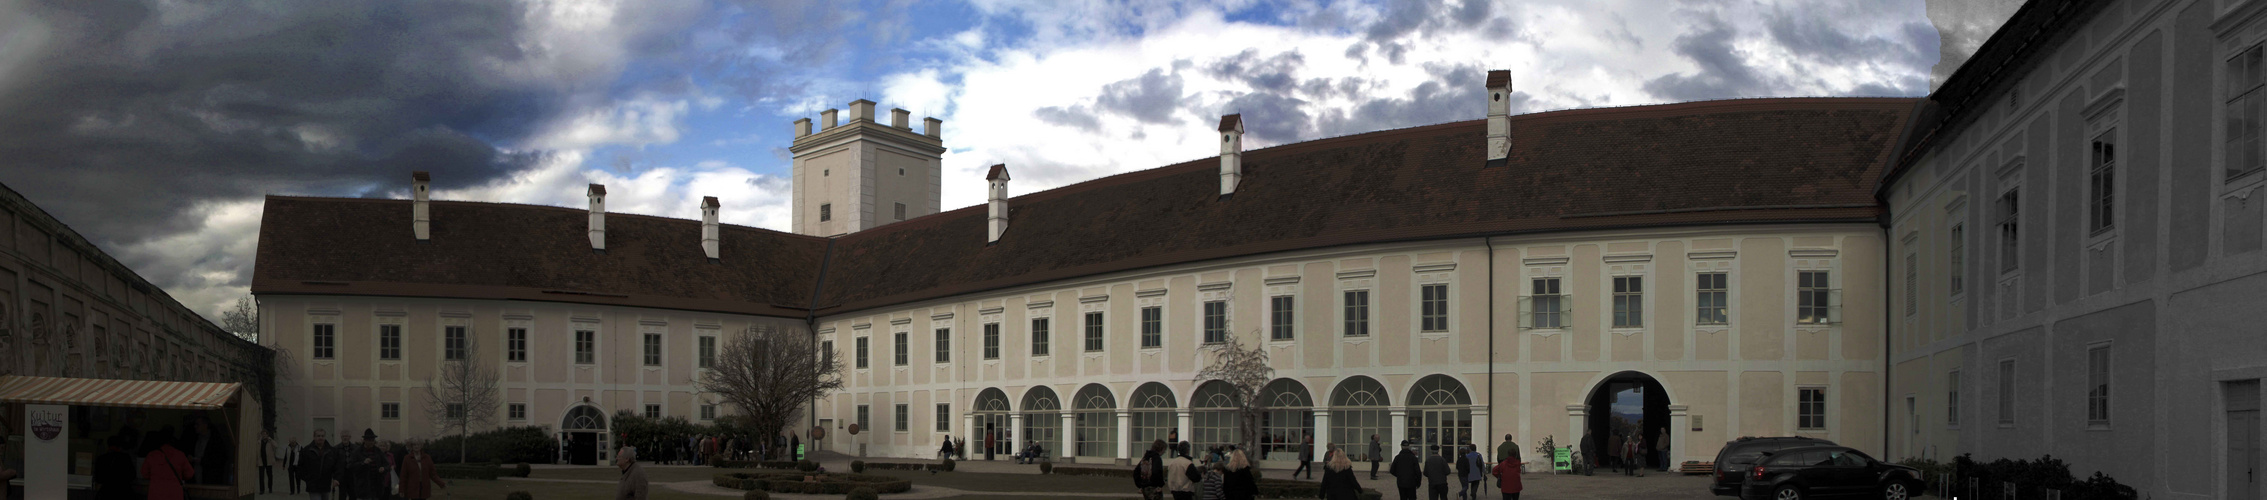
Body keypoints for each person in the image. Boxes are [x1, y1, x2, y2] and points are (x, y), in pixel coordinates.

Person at [143, 429, 194, 500]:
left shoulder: (152, 455)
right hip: (175, 493)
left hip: (156, 492)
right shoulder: (180, 455)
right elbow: (190, 474)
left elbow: (144, 473)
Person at [345, 429, 391, 500]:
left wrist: (384, 468)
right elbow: (350, 466)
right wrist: (362, 463)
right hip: (363, 487)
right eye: (369, 440)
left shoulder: (378, 451)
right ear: (365, 440)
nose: (371, 442)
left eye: (373, 440)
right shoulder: (357, 452)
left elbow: (387, 464)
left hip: (376, 487)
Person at [298, 429, 340, 500]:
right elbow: (300, 467)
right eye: (318, 436)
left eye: (322, 436)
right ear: (314, 437)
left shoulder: (332, 451)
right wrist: (308, 479)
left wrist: (336, 478)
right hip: (313, 485)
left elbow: (336, 466)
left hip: (326, 485)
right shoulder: (306, 450)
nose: (320, 438)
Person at [93, 435, 138, 500]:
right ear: (120, 446)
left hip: (106, 493)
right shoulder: (125, 458)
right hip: (124, 492)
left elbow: (98, 478)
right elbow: (132, 475)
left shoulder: (101, 459)